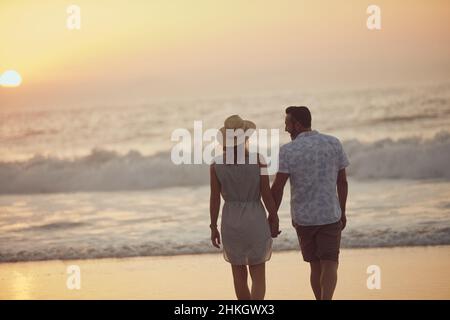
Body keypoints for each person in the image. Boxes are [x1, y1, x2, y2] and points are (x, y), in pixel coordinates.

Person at [271, 106, 349, 300]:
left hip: (304, 218)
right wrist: (342, 211)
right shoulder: (333, 143)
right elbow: (342, 181)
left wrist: (272, 215)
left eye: (288, 124)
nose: (286, 129)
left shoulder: (288, 150)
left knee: (315, 265)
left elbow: (278, 186)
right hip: (330, 213)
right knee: (330, 262)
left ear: (297, 124)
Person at [209, 115, 280, 300]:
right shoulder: (258, 161)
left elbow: (214, 199)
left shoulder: (216, 165)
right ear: (245, 138)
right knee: (258, 277)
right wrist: (274, 217)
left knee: (239, 277)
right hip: (255, 219)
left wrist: (213, 226)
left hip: (231, 221)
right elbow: (266, 194)